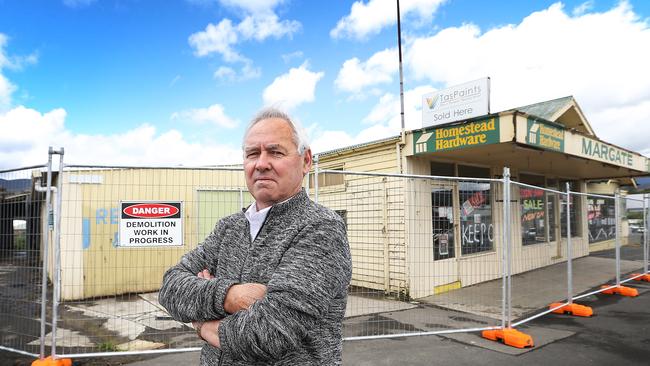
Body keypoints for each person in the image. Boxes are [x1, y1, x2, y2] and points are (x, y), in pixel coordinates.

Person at [159, 108, 352, 365]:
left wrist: (201, 324)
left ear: (306, 161)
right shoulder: (228, 228)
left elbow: (270, 332)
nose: (261, 163)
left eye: (275, 152)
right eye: (252, 153)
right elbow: (170, 287)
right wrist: (231, 297)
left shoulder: (321, 228)